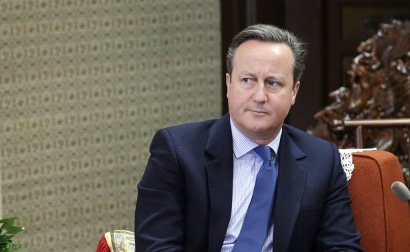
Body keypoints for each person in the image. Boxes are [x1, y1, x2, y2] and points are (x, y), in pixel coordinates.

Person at [135, 24, 363, 252]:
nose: (259, 96)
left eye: (273, 83)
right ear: (228, 84)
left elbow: (342, 247)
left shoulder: (322, 160)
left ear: (294, 91)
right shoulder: (177, 151)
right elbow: (157, 246)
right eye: (247, 80)